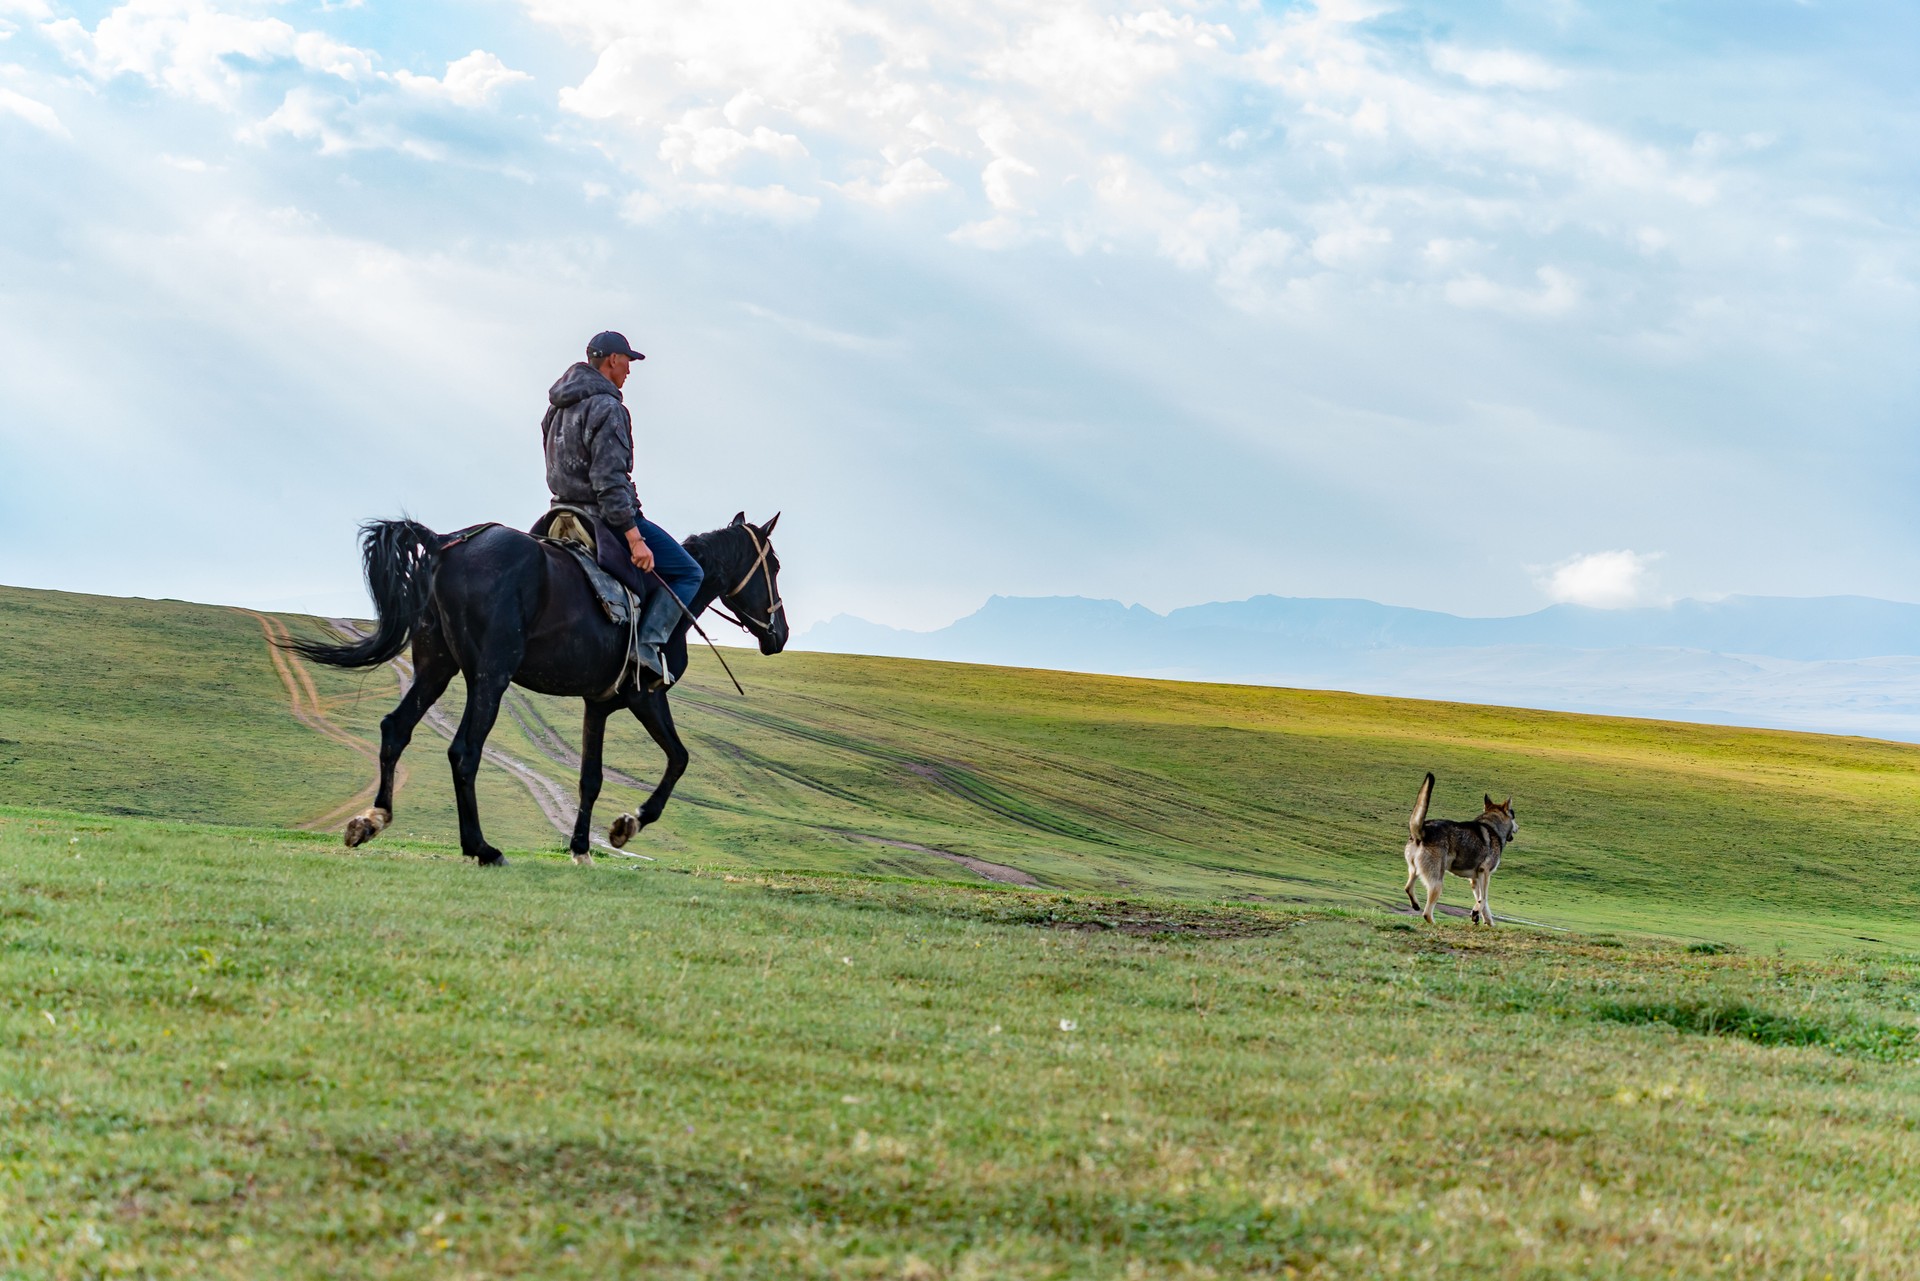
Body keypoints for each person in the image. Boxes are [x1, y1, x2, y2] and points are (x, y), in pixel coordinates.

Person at [540, 330, 704, 689]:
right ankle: (646, 646)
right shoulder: (609, 407)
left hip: (558, 513)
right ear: (613, 360)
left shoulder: (556, 408)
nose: (629, 370)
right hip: (603, 517)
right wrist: (634, 538)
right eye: (628, 361)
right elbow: (609, 480)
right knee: (690, 573)